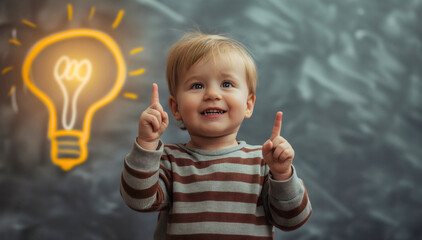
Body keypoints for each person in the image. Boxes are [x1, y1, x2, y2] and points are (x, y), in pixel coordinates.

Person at [120, 32, 312, 240]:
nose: (212, 94)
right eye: (197, 85)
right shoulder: (169, 161)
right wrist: (147, 144)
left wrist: (283, 174)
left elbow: (292, 219)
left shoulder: (263, 163)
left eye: (227, 84)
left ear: (248, 105)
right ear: (175, 108)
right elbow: (138, 200)